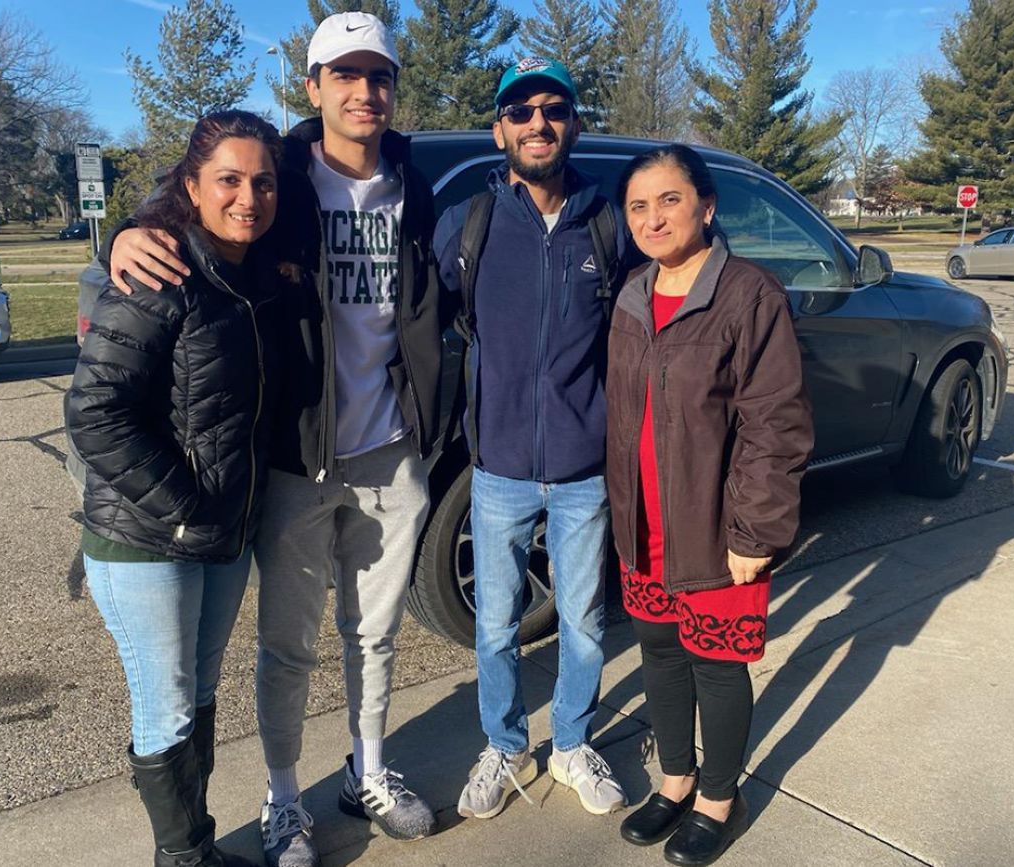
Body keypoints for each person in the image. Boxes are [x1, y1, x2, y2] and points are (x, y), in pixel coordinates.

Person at [105, 13, 444, 866]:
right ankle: (283, 798)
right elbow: (199, 194)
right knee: (287, 645)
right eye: (345, 76)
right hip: (295, 456)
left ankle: (366, 769)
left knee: (376, 635)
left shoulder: (414, 180)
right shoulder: (283, 177)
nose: (365, 93)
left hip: (391, 453)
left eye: (380, 78)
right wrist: (125, 232)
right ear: (314, 87)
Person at [65, 109, 285, 867]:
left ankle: (197, 846)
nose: (247, 196)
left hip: (217, 534)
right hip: (144, 540)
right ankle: (183, 857)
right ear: (190, 186)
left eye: (262, 181)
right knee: (165, 708)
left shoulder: (248, 272)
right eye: (228, 179)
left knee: (196, 700)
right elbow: (95, 413)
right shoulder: (158, 269)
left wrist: (215, 523)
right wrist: (186, 515)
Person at [606, 145, 813, 866]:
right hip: (643, 524)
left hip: (718, 528)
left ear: (706, 206)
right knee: (661, 654)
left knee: (715, 664)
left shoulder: (748, 294)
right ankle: (675, 779)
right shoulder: (633, 293)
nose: (653, 217)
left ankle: (721, 798)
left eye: (669, 199)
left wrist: (756, 528)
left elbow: (775, 421)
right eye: (639, 205)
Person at [433, 58, 628, 821]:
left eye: (553, 109)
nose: (537, 122)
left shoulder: (608, 224)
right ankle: (506, 743)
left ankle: (573, 742)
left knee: (583, 620)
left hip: (584, 468)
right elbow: (410, 311)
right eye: (521, 111)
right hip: (498, 468)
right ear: (500, 130)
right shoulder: (470, 225)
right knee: (494, 625)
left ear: (573, 123)